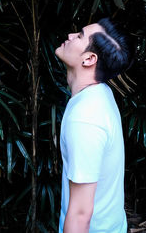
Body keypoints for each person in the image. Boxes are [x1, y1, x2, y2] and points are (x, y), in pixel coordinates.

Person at [55, 18, 131, 233]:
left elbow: (80, 214)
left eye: (79, 36)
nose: (70, 36)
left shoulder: (85, 118)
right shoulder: (100, 93)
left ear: (89, 58)